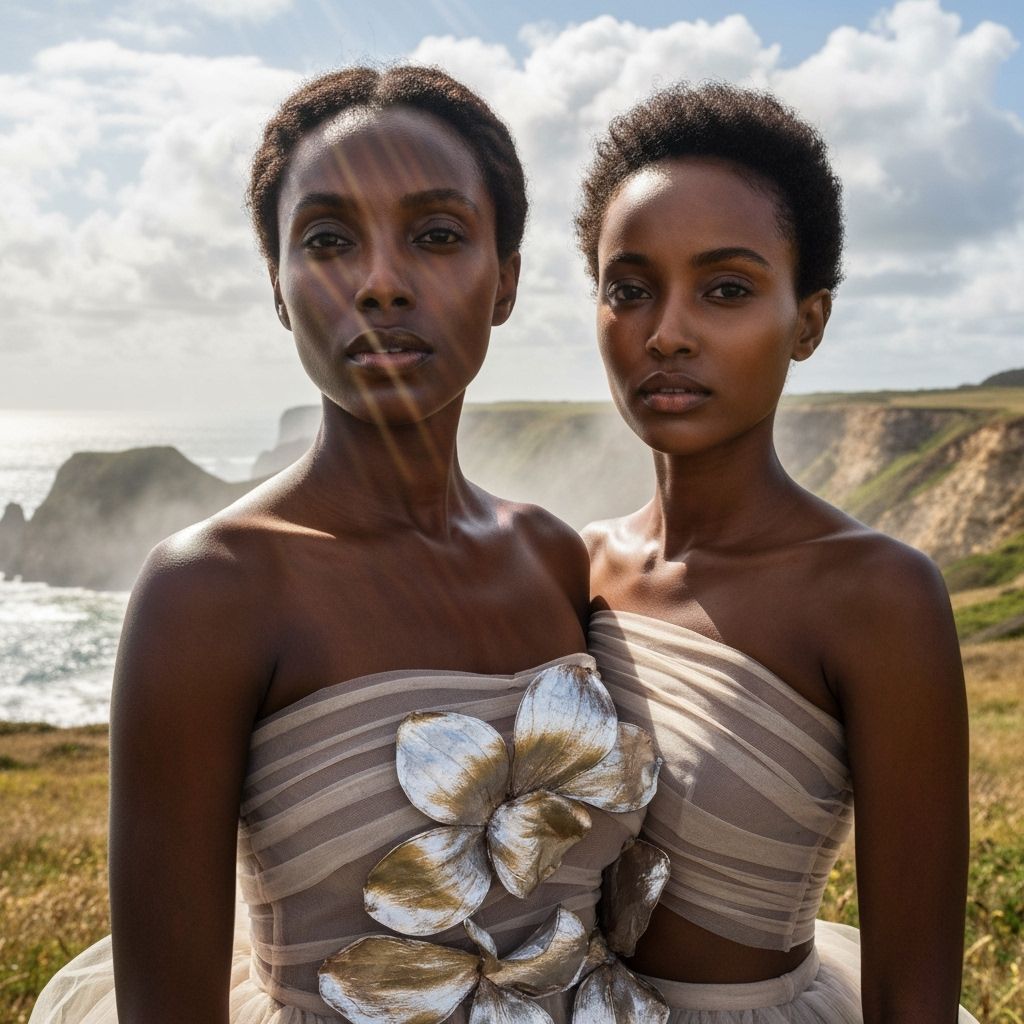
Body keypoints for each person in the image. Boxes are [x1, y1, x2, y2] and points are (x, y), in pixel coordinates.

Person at [29, 66, 643, 1024]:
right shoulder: (212, 592)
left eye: (437, 235)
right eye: (326, 240)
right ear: (278, 286)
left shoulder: (553, 559)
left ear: (507, 279)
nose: (381, 282)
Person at [579, 83, 978, 1022]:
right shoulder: (575, 568)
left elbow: (915, 993)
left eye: (726, 289)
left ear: (808, 321)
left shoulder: (878, 596)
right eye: (629, 289)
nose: (666, 333)